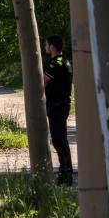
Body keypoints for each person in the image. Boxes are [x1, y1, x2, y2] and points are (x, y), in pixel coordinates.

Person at [43, 35, 74, 184]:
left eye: (47, 44)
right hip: (63, 104)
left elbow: (42, 81)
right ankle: (66, 171)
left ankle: (66, 174)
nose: (45, 46)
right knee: (62, 139)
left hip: (56, 105)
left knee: (58, 140)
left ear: (53, 47)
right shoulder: (66, 61)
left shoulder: (55, 64)